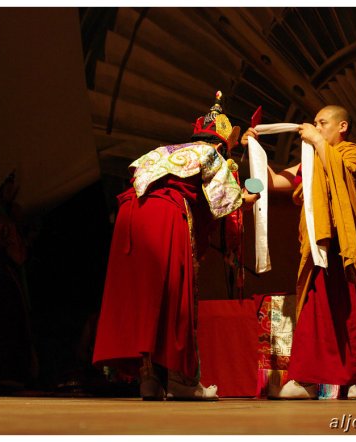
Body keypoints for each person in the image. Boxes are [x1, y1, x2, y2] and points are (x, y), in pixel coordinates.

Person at [93, 92, 259, 401]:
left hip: (129, 217)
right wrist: (250, 197)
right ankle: (182, 380)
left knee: (143, 298)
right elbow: (229, 202)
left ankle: (149, 378)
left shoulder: (164, 150)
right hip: (165, 215)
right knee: (175, 295)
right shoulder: (210, 154)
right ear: (222, 144)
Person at [241, 105, 356, 399]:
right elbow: (271, 182)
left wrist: (318, 142)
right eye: (314, 123)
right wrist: (254, 150)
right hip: (316, 246)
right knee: (314, 311)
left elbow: (344, 177)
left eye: (322, 123)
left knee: (355, 309)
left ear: (342, 127)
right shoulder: (308, 163)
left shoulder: (353, 153)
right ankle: (306, 380)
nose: (315, 127)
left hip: (346, 245)